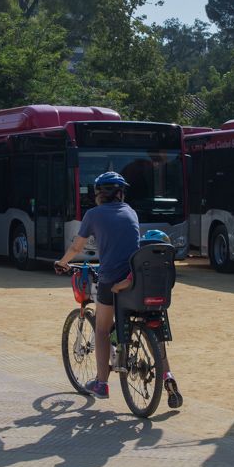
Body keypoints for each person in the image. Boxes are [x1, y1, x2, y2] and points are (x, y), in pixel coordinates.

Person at [53, 172, 182, 408]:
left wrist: (62, 262)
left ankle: (102, 383)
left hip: (111, 279)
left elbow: (77, 247)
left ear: (98, 195)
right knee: (143, 320)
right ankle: (165, 374)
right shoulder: (130, 211)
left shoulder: (93, 214)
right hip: (137, 280)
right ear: (121, 193)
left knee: (102, 330)